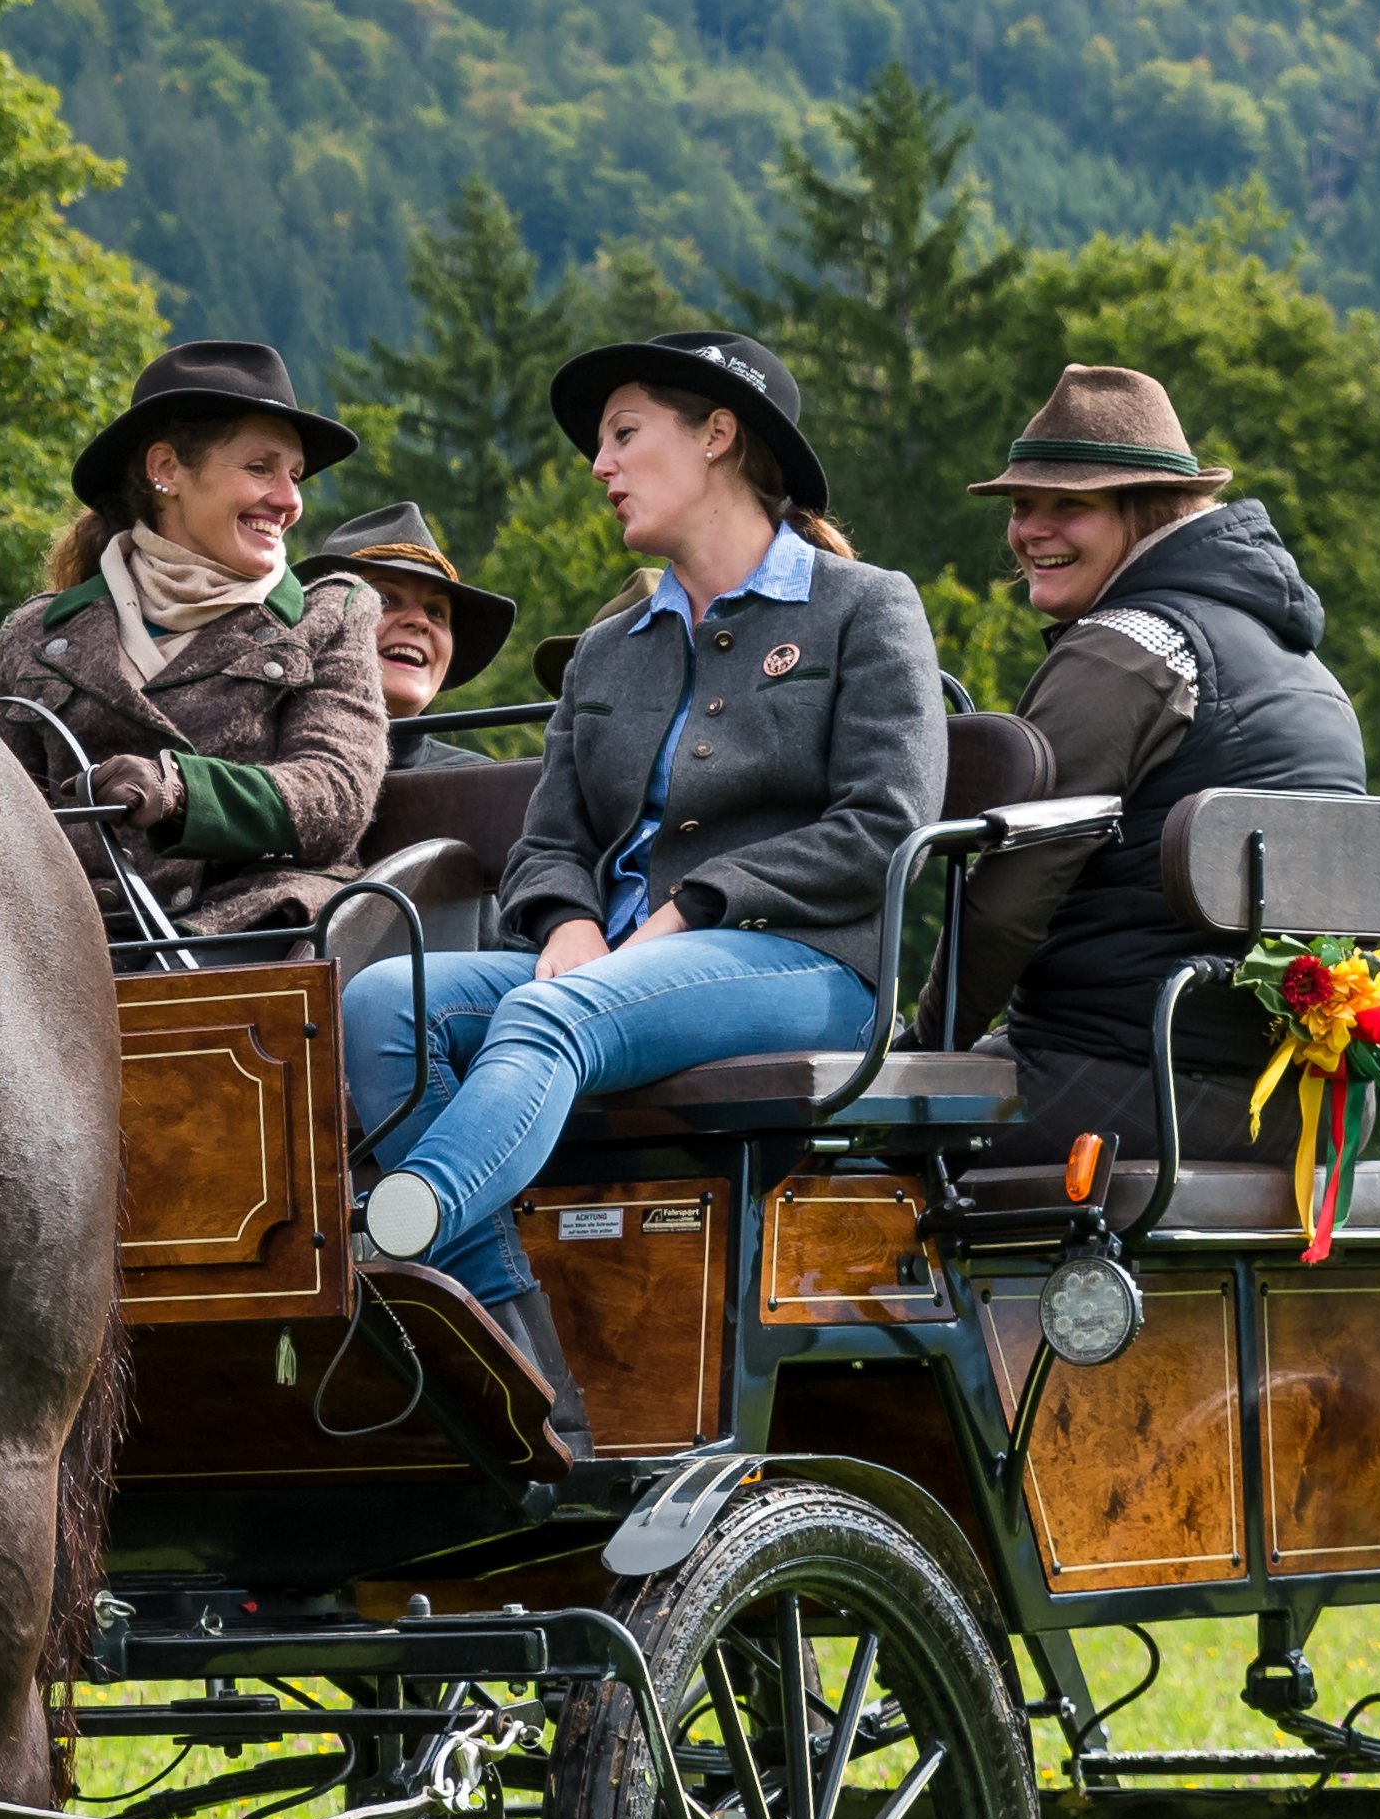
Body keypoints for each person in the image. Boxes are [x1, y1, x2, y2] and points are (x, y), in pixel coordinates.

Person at [340, 330, 942, 1431]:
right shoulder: (608, 648)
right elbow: (547, 839)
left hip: (809, 966)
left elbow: (882, 823)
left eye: (624, 435)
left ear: (717, 435)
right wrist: (564, 918)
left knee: (547, 1018)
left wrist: (681, 909)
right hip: (608, 970)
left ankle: (389, 1244)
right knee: (380, 1001)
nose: (598, 464)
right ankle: (518, 1354)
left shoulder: (862, 606)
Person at [945, 363, 1368, 1171]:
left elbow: (1006, 905)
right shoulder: (1300, 664)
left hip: (1134, 1082)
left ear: (1146, 513)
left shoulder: (1130, 645)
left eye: (1070, 506)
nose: (1030, 528)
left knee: (834, 1142)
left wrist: (924, 1045)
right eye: (1021, 504)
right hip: (1302, 1104)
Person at [0, 340, 394, 944]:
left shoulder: (332, 614)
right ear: (166, 471)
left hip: (257, 932)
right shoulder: (37, 633)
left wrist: (179, 791)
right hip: (69, 941)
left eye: (295, 475)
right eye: (260, 468)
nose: (289, 500)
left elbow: (335, 795)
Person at [302, 499, 517, 724]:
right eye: (385, 600)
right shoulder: (263, 752)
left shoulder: (507, 761)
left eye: (436, 611)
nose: (420, 621)